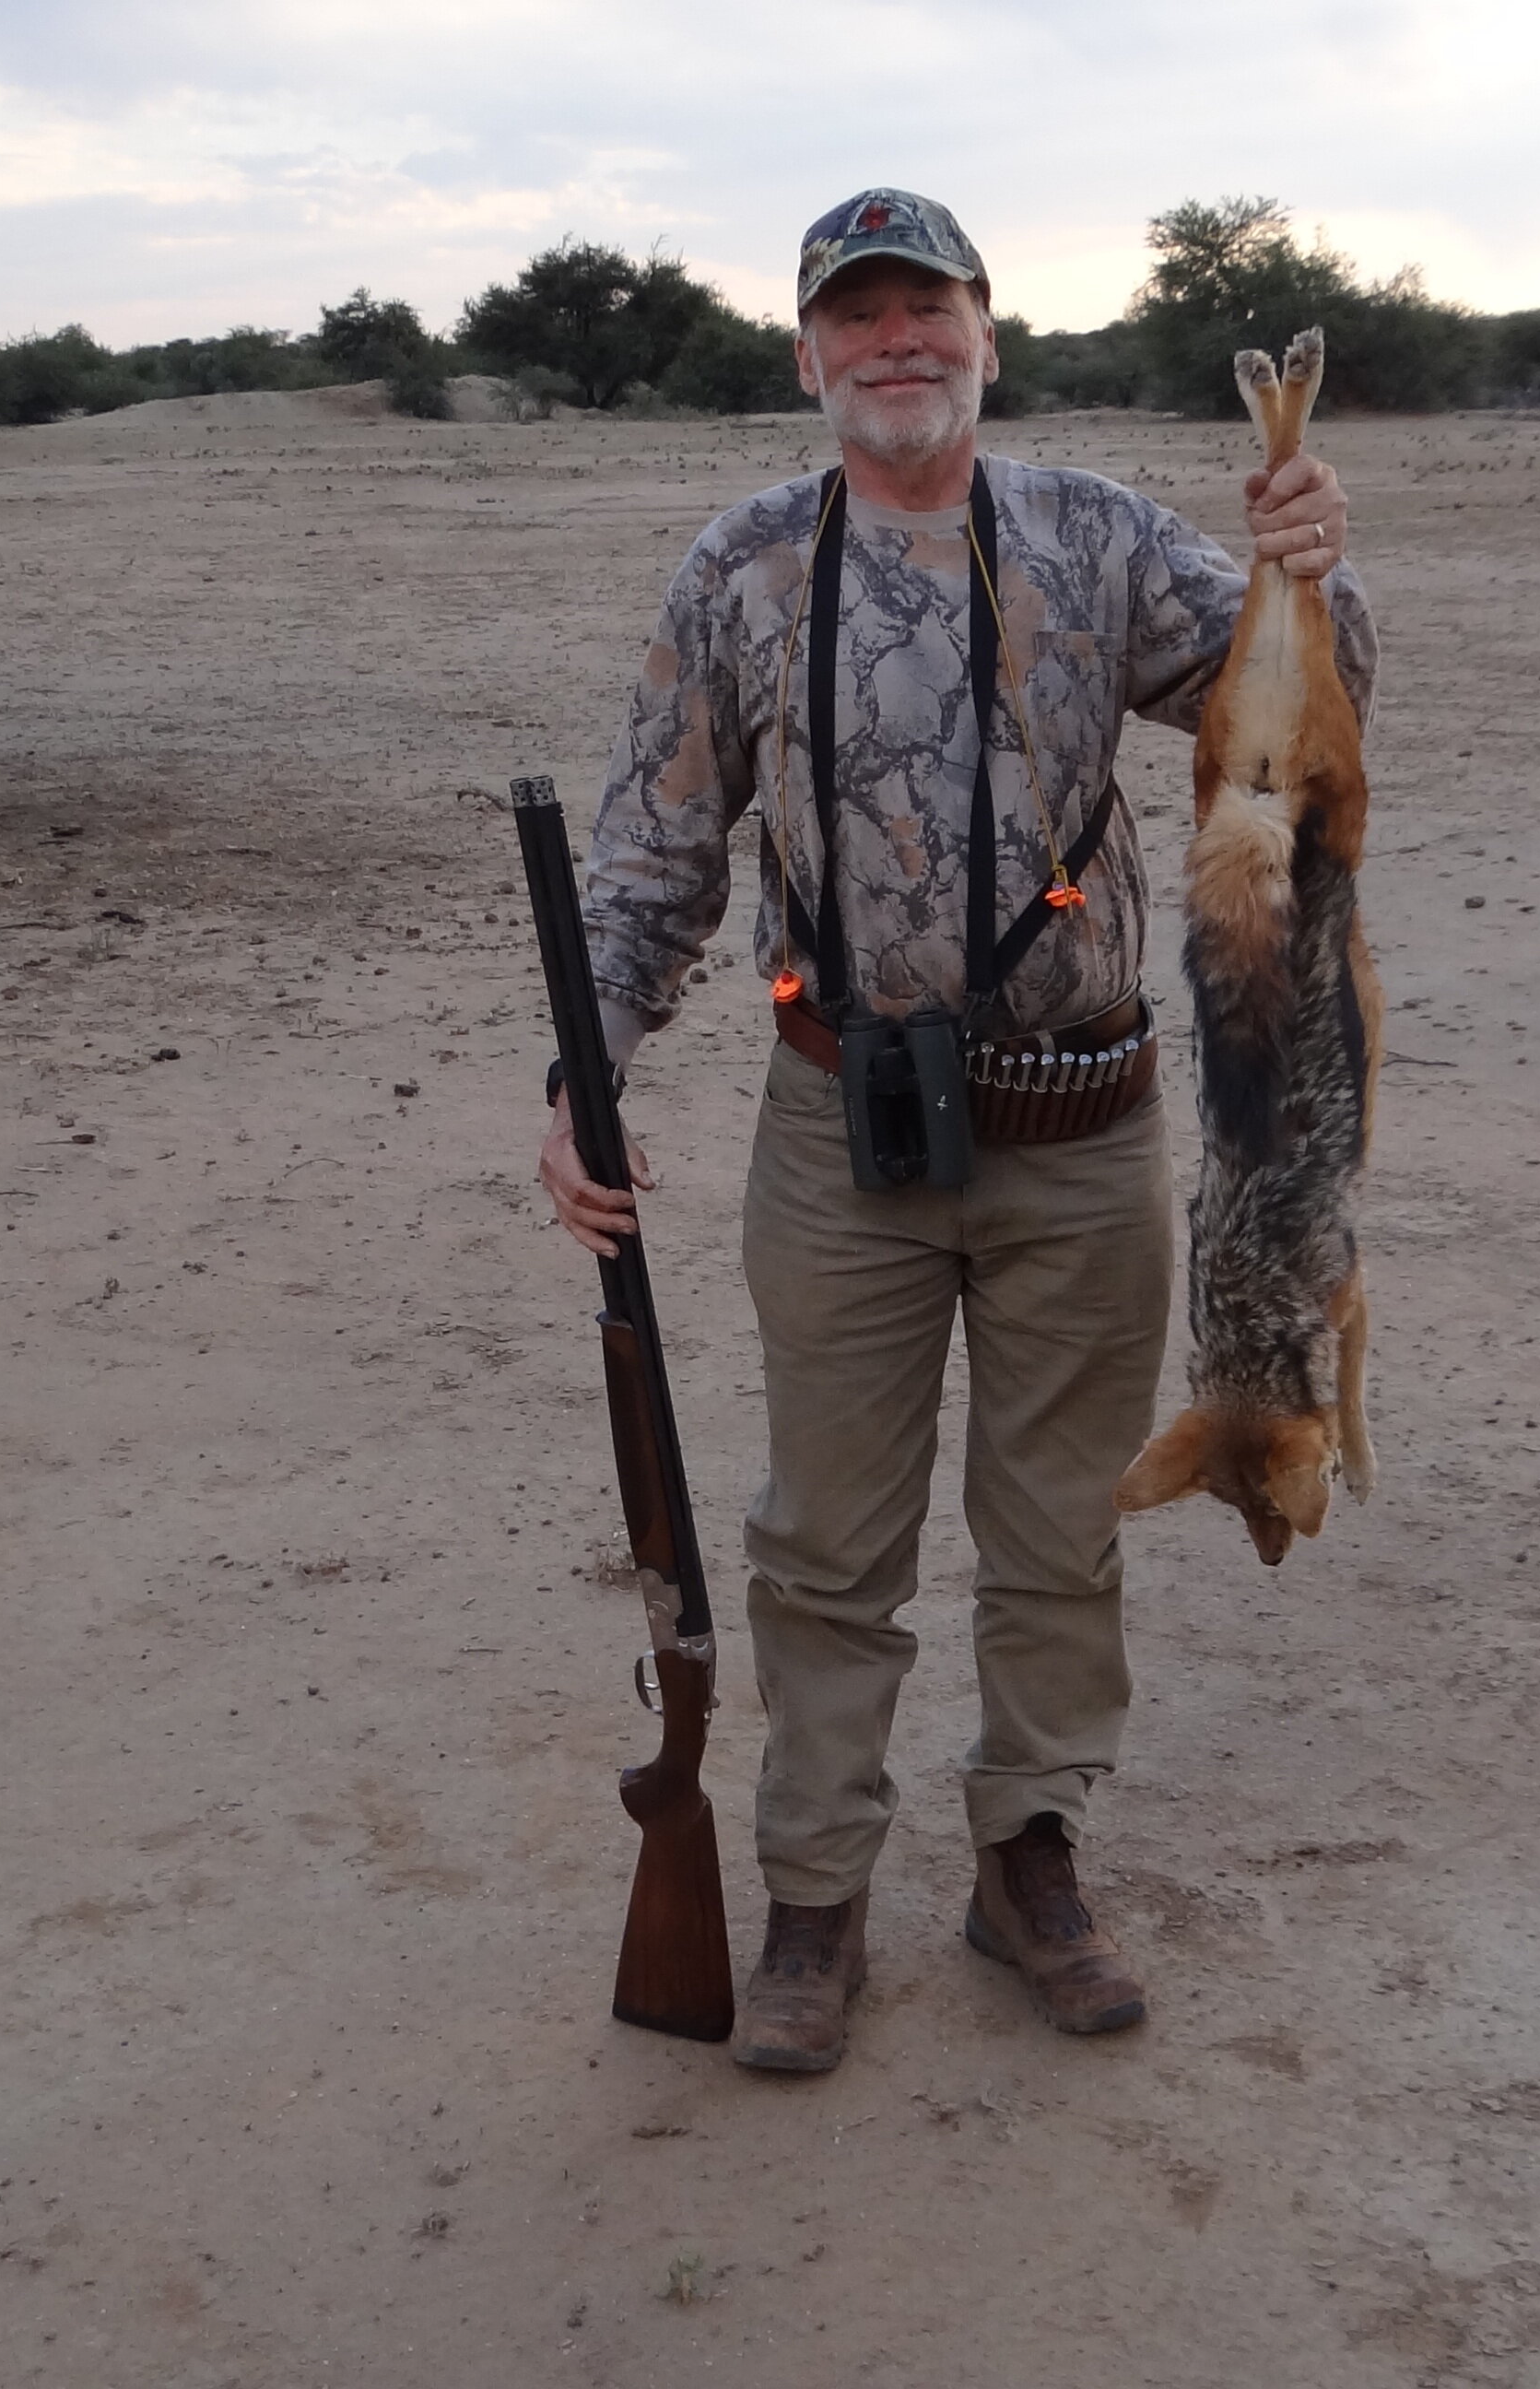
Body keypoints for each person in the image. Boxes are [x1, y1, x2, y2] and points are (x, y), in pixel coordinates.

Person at [534, 187, 1369, 2074]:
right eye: (859, 317)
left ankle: (1029, 1859)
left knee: (1058, 1525)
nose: (896, 343)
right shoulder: (739, 569)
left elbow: (1305, 728)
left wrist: (1314, 572)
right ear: (809, 353)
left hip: (1085, 1134)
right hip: (838, 1132)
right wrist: (582, 1074)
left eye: (932, 312)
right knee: (826, 1537)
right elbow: (655, 853)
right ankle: (814, 1901)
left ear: (991, 335)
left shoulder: (1100, 537)